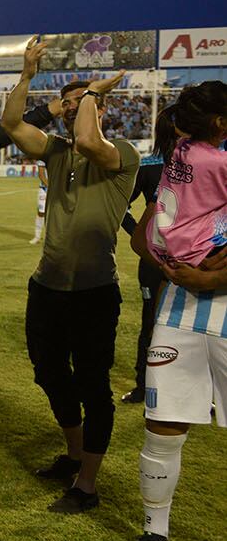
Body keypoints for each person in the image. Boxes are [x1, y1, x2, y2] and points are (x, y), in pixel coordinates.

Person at [1, 35, 138, 514]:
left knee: (93, 385)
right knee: (49, 373)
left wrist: (93, 94)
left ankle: (87, 483)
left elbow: (86, 138)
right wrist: (26, 77)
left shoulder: (121, 154)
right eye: (71, 103)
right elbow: (10, 123)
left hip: (94, 292)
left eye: (86, 103)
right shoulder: (56, 152)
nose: (75, 109)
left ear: (100, 109)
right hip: (48, 288)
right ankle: (74, 454)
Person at [122, 105, 227, 541]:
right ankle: (154, 533)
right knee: (162, 427)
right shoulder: (181, 166)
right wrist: (172, 249)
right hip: (178, 307)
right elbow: (142, 241)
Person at [119, 107, 178, 405]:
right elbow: (121, 207)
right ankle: (144, 385)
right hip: (155, 261)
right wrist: (139, 237)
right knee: (151, 321)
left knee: (188, 324)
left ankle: (190, 385)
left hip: (193, 259)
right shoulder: (152, 166)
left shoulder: (207, 164)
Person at [145, 81, 227, 267]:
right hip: (198, 249)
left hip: (162, 244)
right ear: (220, 122)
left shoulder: (177, 148)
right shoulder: (220, 162)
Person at [31, 163, 48, 244]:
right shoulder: (42, 157)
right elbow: (41, 175)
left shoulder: (60, 156)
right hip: (44, 189)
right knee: (41, 212)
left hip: (58, 188)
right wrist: (49, 186)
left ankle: (51, 237)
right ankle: (37, 236)